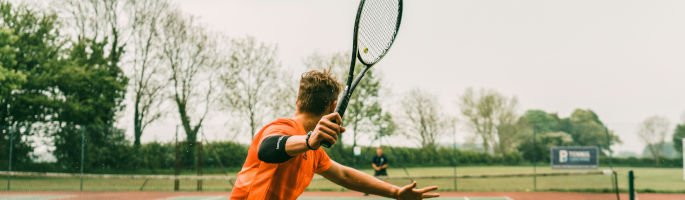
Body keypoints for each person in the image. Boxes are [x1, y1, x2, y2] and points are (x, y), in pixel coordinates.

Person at [230, 70, 439, 200]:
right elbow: (268, 149)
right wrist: (308, 141)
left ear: (298, 101)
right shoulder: (284, 128)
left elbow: (345, 175)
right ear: (332, 106)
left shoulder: (314, 152)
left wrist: (395, 193)